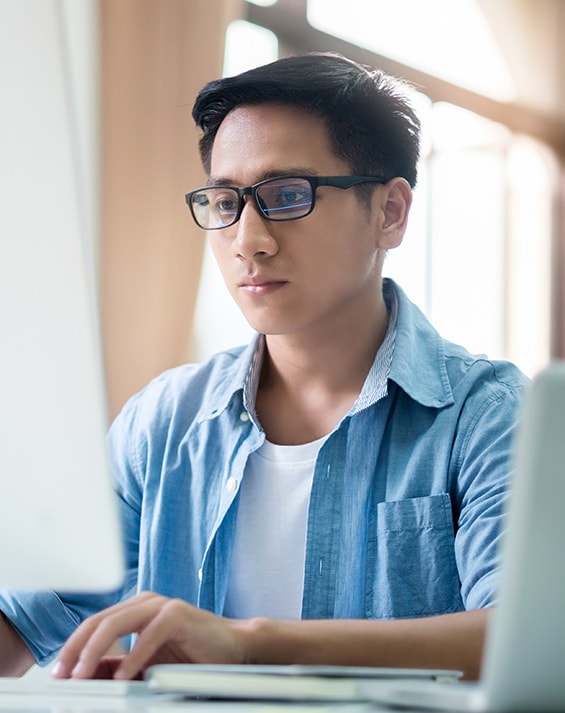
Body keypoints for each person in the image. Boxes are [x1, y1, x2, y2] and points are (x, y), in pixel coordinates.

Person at [0, 52, 527, 682]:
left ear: (389, 213)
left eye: (285, 196)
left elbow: (529, 637)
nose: (248, 239)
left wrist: (249, 645)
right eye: (226, 201)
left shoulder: (487, 414)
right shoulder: (164, 421)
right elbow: (20, 620)